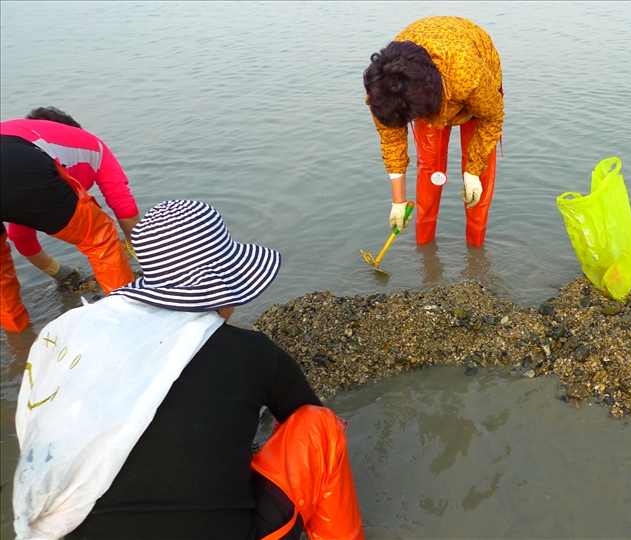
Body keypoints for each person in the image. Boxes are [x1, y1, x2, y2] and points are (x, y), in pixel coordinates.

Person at [14, 200, 364, 539]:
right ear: (223, 282)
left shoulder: (90, 342)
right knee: (321, 426)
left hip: (67, 529)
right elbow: (304, 413)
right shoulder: (252, 351)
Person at [364, 16, 503, 247]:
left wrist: (473, 171)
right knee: (430, 166)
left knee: (478, 178)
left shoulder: (469, 74)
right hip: (419, 85)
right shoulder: (382, 89)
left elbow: (493, 117)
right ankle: (424, 243)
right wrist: (398, 201)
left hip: (469, 81)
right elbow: (392, 140)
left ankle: (476, 246)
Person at [1, 111, 138, 333]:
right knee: (100, 239)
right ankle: (130, 317)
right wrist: (138, 249)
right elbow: (123, 204)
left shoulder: (23, 135)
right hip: (25, 166)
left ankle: (19, 341)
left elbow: (21, 236)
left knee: (1, 278)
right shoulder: (89, 142)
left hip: (20, 165)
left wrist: (63, 275)